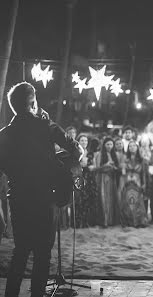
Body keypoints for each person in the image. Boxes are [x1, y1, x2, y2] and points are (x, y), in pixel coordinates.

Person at [0, 82, 82, 297]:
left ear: (13, 107)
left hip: (17, 198)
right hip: (45, 198)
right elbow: (77, 150)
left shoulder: (4, 134)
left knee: (20, 252)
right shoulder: (47, 126)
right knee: (43, 254)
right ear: (33, 102)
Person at [119, 140, 149, 227]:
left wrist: (144, 183)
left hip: (138, 181)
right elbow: (123, 172)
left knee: (138, 202)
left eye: (134, 146)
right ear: (128, 148)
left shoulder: (142, 160)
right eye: (130, 146)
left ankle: (139, 221)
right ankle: (128, 221)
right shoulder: (125, 159)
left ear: (137, 147)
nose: (132, 147)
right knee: (128, 202)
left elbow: (143, 173)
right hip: (127, 181)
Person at [93, 137, 120, 227]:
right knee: (104, 199)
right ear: (104, 145)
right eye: (107, 144)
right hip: (103, 179)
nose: (109, 146)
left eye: (111, 144)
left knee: (112, 199)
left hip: (112, 179)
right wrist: (106, 165)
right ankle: (105, 220)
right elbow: (96, 169)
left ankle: (112, 220)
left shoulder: (114, 154)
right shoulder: (99, 154)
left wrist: (115, 168)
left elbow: (117, 168)